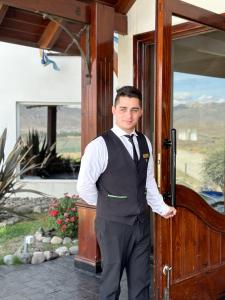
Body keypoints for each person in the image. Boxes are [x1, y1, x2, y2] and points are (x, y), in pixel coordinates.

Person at [77, 86, 176, 300]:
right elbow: (84, 187)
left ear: (141, 112)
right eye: (123, 109)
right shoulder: (99, 146)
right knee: (111, 284)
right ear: (113, 110)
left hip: (141, 224)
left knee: (141, 283)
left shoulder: (144, 141)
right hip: (113, 225)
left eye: (134, 109)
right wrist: (109, 205)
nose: (128, 115)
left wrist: (161, 208)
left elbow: (148, 180)